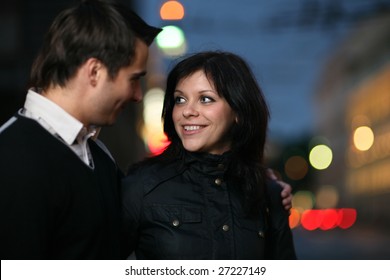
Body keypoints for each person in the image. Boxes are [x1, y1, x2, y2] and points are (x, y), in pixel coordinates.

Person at [0, 0, 161, 259]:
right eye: (133, 79)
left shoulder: (96, 154)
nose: (137, 95)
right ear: (95, 71)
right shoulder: (12, 158)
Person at [121, 51, 297, 259]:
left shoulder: (268, 193)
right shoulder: (142, 186)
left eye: (205, 99)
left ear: (238, 112)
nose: (187, 111)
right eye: (180, 99)